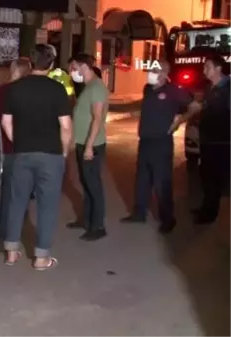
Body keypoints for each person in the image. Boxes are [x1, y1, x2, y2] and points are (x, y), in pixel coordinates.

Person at [1, 44, 72, 270]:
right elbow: (65, 125)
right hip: (50, 155)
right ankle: (41, 258)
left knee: (16, 202)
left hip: (22, 153)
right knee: (47, 206)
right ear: (51, 64)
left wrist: (18, 141)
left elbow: (6, 121)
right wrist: (64, 151)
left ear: (31, 63)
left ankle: (11, 252)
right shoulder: (57, 89)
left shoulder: (15, 89)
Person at [119, 60, 195, 233]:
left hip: (161, 143)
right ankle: (139, 213)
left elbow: (194, 106)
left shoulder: (174, 91)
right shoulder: (148, 89)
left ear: (164, 73)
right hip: (145, 141)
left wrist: (179, 120)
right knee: (142, 180)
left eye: (155, 70)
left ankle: (168, 219)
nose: (151, 72)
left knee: (162, 182)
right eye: (151, 69)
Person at [67, 53, 109, 241]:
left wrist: (89, 146)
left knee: (94, 186)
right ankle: (86, 220)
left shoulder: (97, 88)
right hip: (83, 142)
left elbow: (97, 118)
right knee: (86, 183)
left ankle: (98, 226)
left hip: (92, 145)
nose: (71, 71)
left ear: (83, 66)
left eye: (73, 67)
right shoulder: (88, 86)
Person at [190, 54, 231, 225]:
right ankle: (206, 207)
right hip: (208, 141)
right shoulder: (211, 88)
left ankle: (209, 215)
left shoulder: (227, 89)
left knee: (214, 179)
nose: (204, 70)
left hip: (221, 142)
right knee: (206, 177)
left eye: (207, 67)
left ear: (218, 69)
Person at [0, 59, 31, 243]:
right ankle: (17, 228)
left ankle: (1, 231)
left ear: (14, 69)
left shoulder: (2, 91)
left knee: (4, 191)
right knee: (21, 189)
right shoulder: (28, 92)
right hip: (25, 147)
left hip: (5, 147)